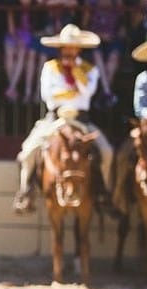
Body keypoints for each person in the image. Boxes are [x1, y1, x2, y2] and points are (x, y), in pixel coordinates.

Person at [13, 24, 113, 214]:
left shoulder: (89, 69)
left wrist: (75, 73)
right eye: (66, 47)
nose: (69, 51)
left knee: (107, 151)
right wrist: (71, 92)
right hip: (54, 118)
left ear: (79, 49)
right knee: (27, 152)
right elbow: (47, 96)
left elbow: (87, 94)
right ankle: (25, 192)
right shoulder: (50, 68)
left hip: (81, 119)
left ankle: (104, 192)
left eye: (73, 47)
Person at [111, 39, 147, 215]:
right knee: (123, 155)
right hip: (146, 125)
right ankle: (118, 198)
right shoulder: (143, 78)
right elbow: (140, 106)